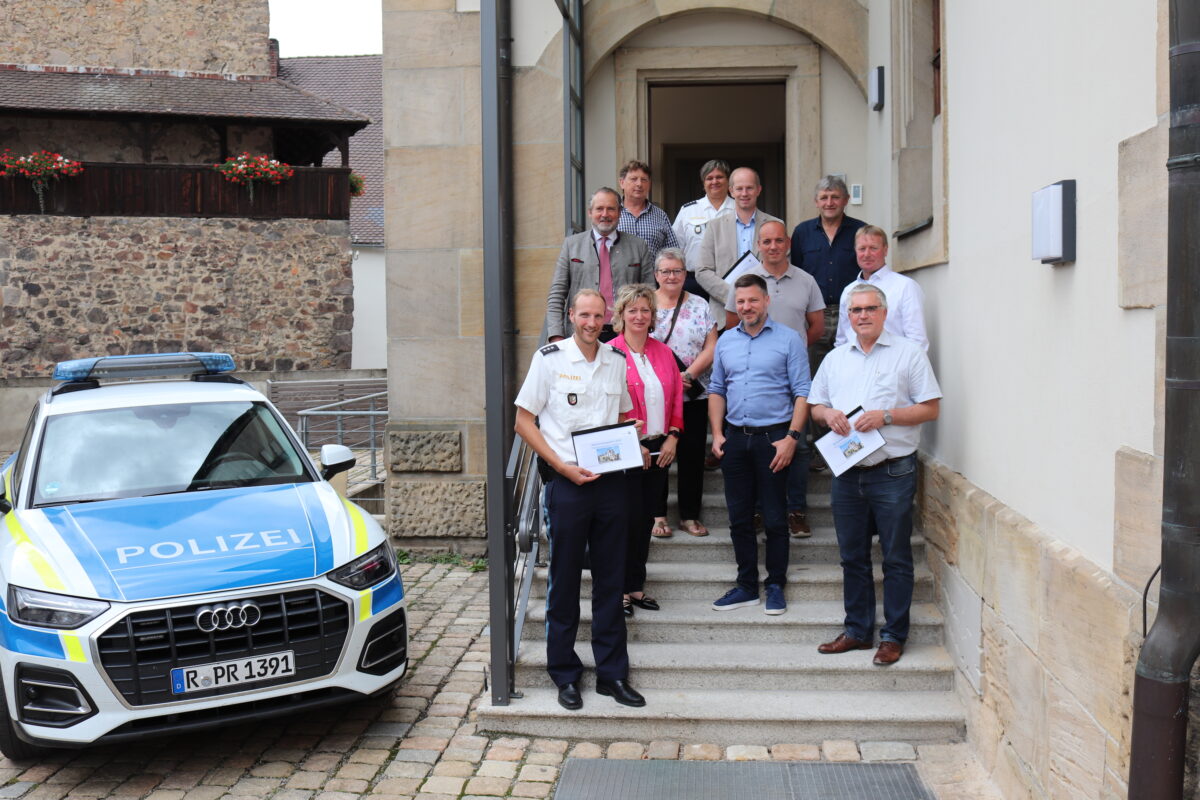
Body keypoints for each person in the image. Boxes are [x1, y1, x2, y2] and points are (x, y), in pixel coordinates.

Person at [514, 289, 647, 710]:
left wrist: (635, 439)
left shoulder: (616, 361)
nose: (591, 322)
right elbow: (523, 422)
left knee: (612, 581)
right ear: (571, 315)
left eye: (598, 315)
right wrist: (561, 466)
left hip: (611, 483)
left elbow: (622, 417)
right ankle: (565, 675)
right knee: (565, 582)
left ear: (607, 318)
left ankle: (612, 675)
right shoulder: (549, 360)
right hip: (567, 485)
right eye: (584, 314)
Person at [809, 283, 942, 666]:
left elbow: (930, 408)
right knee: (852, 557)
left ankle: (893, 636)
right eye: (855, 311)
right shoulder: (835, 359)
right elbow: (816, 404)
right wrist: (827, 415)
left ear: (884, 313)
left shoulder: (908, 354)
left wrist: (887, 416)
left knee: (897, 558)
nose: (862, 316)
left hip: (893, 472)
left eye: (870, 309)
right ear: (848, 317)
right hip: (848, 472)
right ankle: (857, 631)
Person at [708, 274, 811, 617]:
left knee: (775, 518)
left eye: (753, 300)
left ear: (766, 301)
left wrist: (792, 439)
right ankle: (747, 586)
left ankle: (776, 585)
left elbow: (802, 392)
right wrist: (718, 434)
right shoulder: (725, 341)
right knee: (739, 517)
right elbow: (717, 389)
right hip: (736, 439)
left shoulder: (789, 339)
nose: (746, 307)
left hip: (774, 439)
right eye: (740, 302)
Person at [723, 220, 824, 537]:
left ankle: (795, 510)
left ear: (788, 243)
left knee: (800, 446)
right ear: (758, 245)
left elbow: (817, 326)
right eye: (766, 241)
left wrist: (787, 353)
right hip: (755, 377)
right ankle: (755, 512)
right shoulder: (745, 282)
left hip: (792, 377)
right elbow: (730, 325)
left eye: (778, 241)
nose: (773, 246)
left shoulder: (806, 281)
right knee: (755, 449)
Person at [611, 284, 684, 618]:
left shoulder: (663, 352)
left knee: (644, 520)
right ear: (621, 315)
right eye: (633, 310)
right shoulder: (610, 353)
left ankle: (636, 586)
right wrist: (633, 443)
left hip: (660, 448)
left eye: (645, 310)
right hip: (627, 448)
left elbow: (677, 400)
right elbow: (609, 406)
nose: (639, 316)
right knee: (623, 521)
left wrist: (673, 436)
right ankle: (619, 591)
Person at [650, 248, 718, 538]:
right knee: (657, 456)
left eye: (677, 271)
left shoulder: (701, 305)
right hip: (655, 396)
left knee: (691, 455)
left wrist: (687, 375)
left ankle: (689, 515)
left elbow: (712, 347)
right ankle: (657, 515)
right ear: (656, 275)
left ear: (685, 274)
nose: (671, 276)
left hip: (693, 393)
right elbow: (635, 345)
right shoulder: (644, 303)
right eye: (665, 271)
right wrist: (668, 382)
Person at [545, 188, 652, 342]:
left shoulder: (638, 246)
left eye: (610, 209)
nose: (605, 214)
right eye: (599, 209)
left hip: (625, 334)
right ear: (590, 212)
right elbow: (557, 294)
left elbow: (650, 294)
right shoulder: (572, 245)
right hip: (580, 333)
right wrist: (556, 334)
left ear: (620, 212)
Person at [790, 176, 866, 373]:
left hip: (852, 313)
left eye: (835, 197)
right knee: (815, 372)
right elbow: (796, 272)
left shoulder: (860, 230)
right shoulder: (802, 232)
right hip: (815, 316)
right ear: (816, 202)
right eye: (824, 198)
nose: (829, 203)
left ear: (846, 200)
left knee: (851, 368)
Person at [693, 167, 782, 329]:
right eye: (739, 188)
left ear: (758, 190)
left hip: (766, 314)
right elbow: (702, 270)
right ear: (731, 191)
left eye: (749, 188)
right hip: (723, 315)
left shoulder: (775, 225)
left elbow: (780, 269)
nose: (744, 193)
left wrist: (755, 298)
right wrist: (734, 296)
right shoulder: (715, 227)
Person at [833, 226, 928, 350]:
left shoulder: (905, 287)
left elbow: (917, 341)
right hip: (856, 366)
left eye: (873, 248)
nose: (867, 254)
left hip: (893, 365)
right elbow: (842, 340)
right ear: (855, 251)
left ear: (885, 250)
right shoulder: (848, 291)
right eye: (862, 249)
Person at [671, 159, 734, 300]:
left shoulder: (739, 209)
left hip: (729, 281)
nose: (714, 181)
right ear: (703, 183)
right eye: (709, 178)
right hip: (694, 282)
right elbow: (675, 248)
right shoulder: (688, 210)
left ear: (728, 181)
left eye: (719, 177)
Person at [616, 160, 679, 266]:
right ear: (622, 183)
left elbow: (672, 253)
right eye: (634, 179)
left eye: (644, 180)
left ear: (649, 185)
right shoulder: (611, 214)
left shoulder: (660, 215)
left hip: (652, 280)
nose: (639, 184)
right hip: (619, 280)